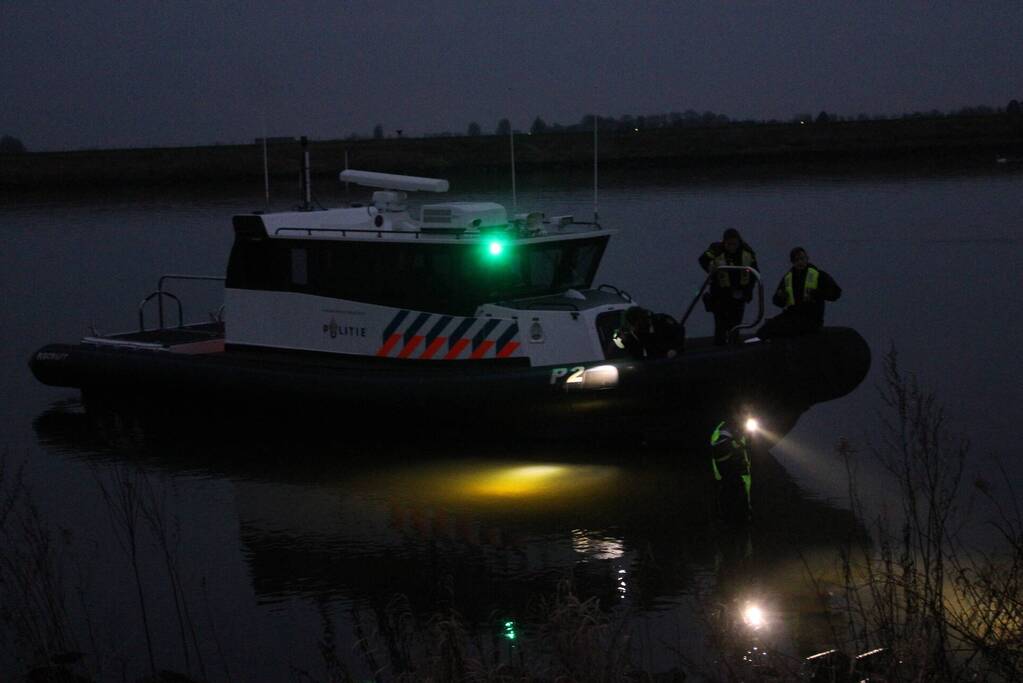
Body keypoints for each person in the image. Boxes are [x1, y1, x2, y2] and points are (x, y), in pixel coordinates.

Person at [755, 247, 841, 340]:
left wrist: (817, 294)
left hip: (811, 318)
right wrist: (781, 297)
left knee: (785, 329)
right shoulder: (788, 278)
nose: (800, 262)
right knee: (765, 329)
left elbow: (836, 293)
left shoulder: (819, 275)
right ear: (792, 262)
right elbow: (777, 301)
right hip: (792, 314)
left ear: (807, 259)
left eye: (802, 259)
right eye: (796, 260)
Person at [698, 229, 759, 345]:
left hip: (739, 294)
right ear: (724, 242)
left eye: (734, 244)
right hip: (720, 293)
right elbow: (703, 259)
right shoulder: (716, 249)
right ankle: (720, 347)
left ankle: (734, 345)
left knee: (735, 324)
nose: (731, 247)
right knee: (720, 325)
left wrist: (748, 291)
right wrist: (710, 267)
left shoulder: (747, 251)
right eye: (728, 244)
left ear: (739, 242)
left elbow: (755, 273)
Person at [710, 419, 753, 524]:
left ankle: (744, 514)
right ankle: (729, 519)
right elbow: (719, 454)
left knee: (739, 491)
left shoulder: (738, 430)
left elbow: (746, 448)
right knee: (729, 492)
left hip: (739, 470)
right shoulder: (721, 435)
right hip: (728, 471)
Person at [611, 306, 683, 360]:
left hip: (672, 359)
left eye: (633, 324)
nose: (633, 328)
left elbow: (679, 333)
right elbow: (638, 353)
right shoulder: (636, 334)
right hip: (654, 363)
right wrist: (625, 341)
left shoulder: (661, 321)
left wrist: (674, 349)